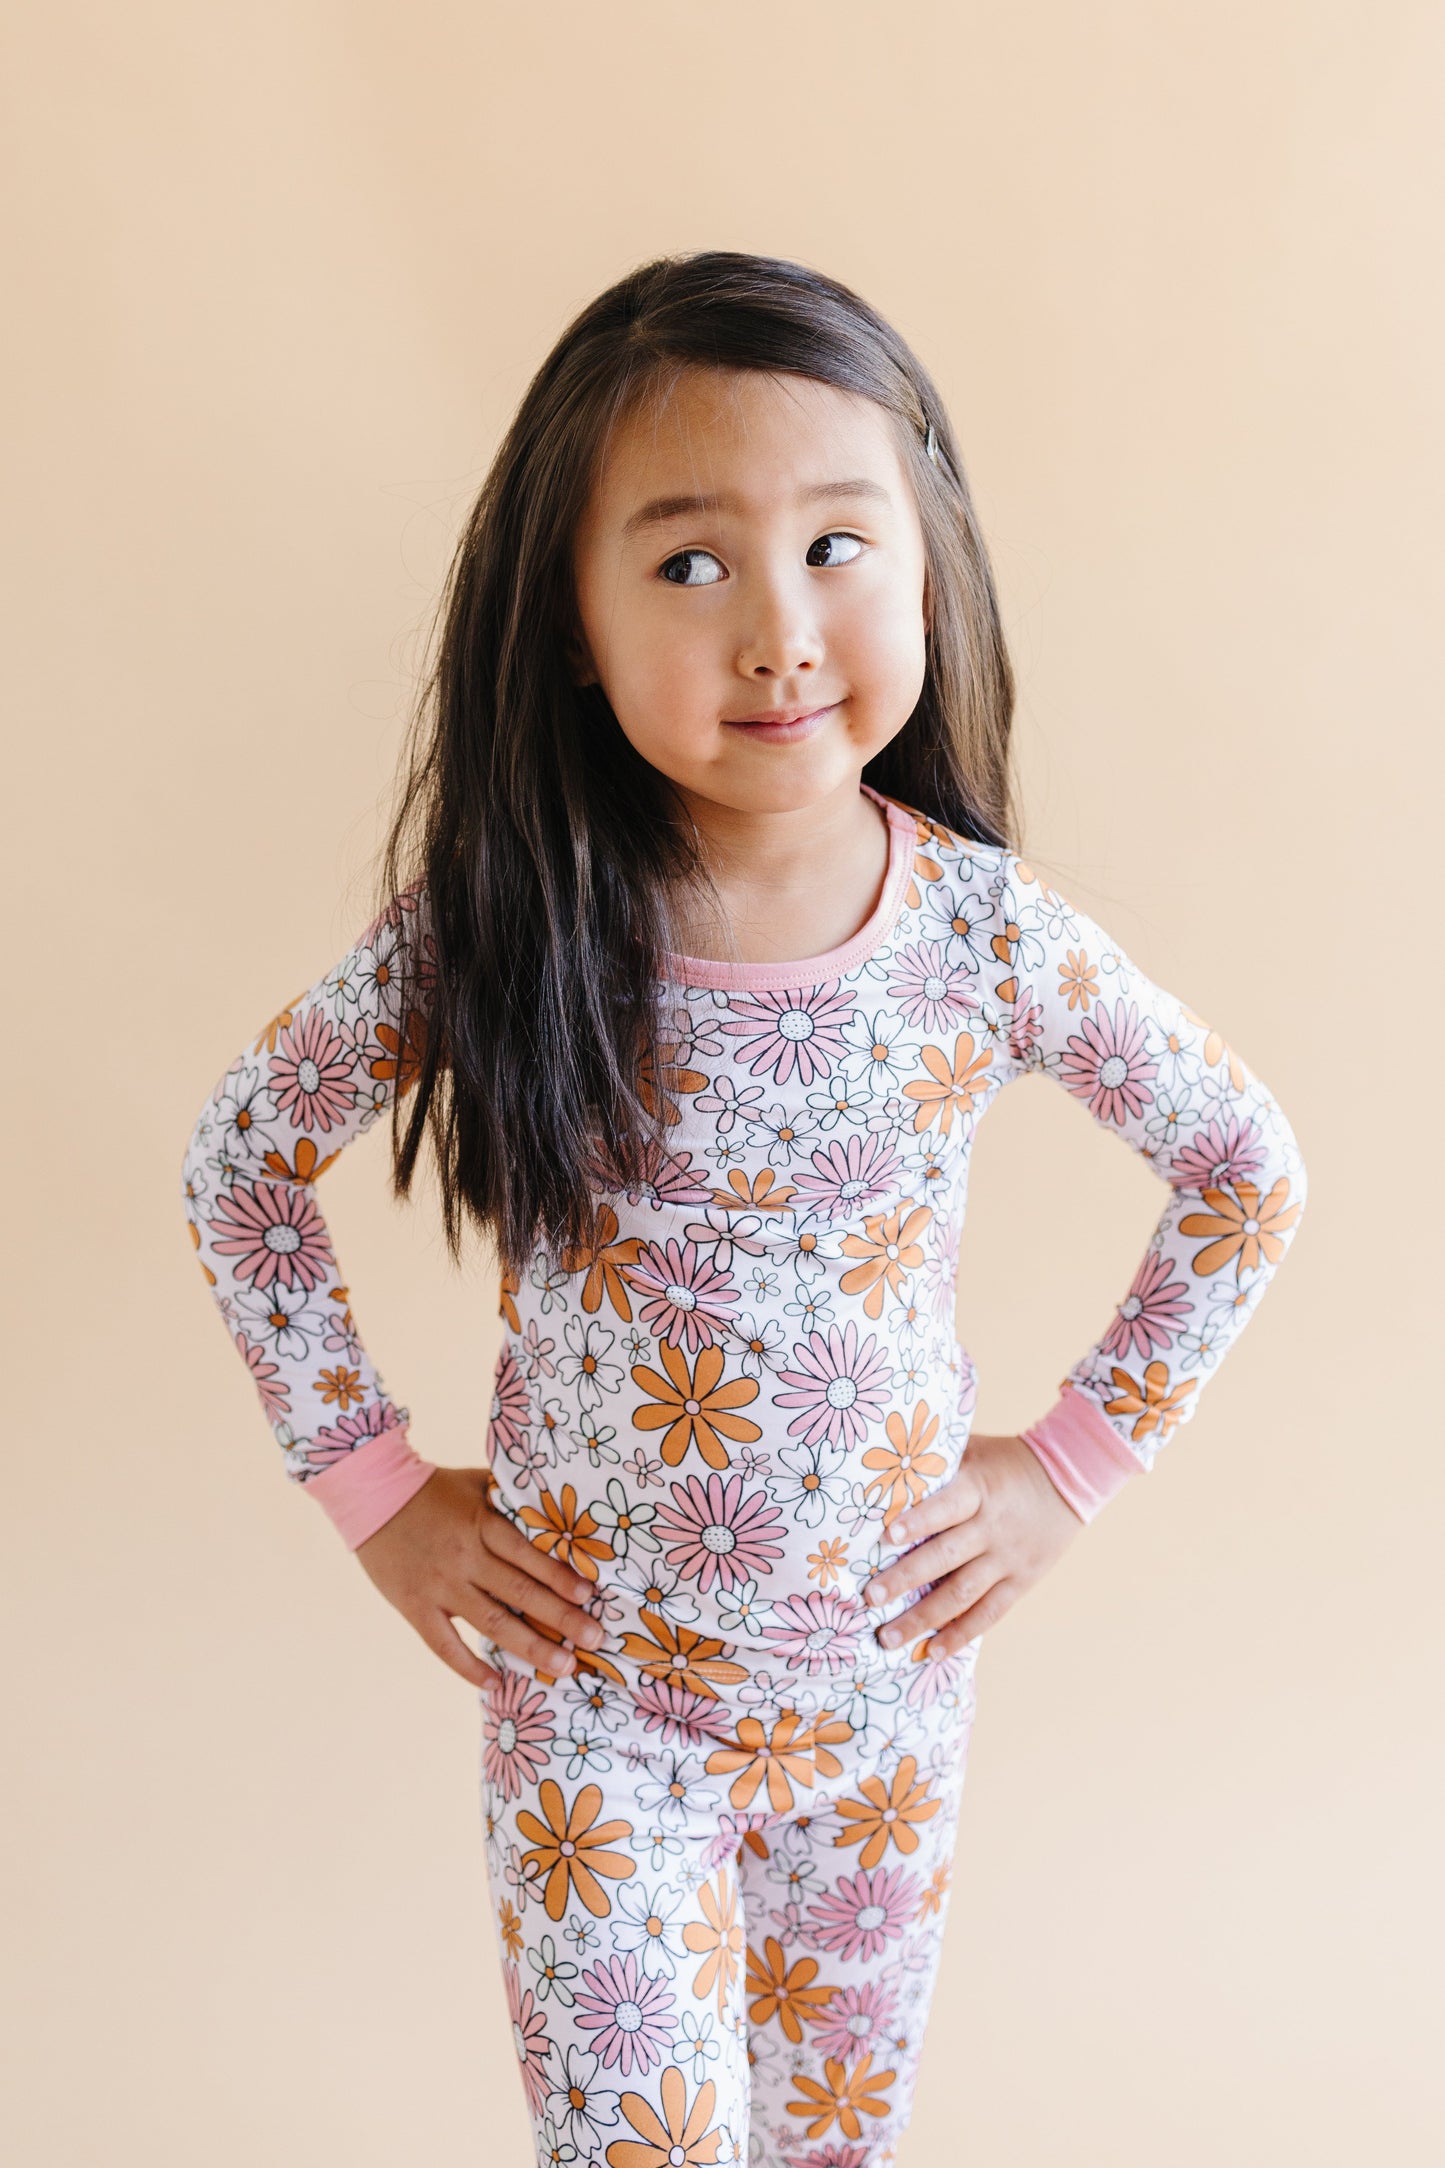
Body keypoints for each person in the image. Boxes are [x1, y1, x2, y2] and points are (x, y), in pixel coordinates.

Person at [181, 250, 1306, 2168]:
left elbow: (1241, 1170)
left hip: (883, 1712)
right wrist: (370, 1488)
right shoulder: (507, 927)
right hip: (596, 1716)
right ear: (569, 623)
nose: (780, 633)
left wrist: (1069, 1468)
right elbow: (243, 1162)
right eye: (691, 564)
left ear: (929, 563)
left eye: (837, 547)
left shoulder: (983, 938)